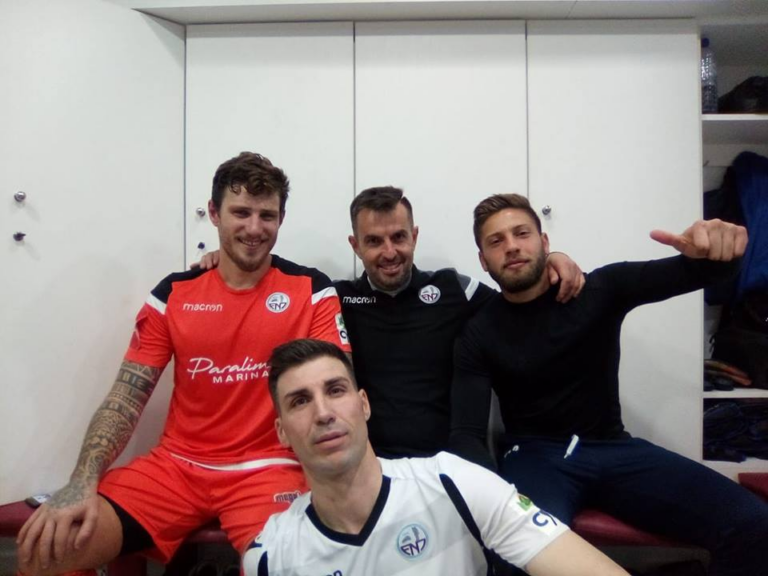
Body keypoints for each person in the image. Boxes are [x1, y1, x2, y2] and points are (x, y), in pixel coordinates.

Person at [17, 152, 351, 576]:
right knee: (48, 550)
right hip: (177, 467)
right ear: (214, 213)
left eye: (267, 215)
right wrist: (82, 480)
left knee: (292, 567)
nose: (254, 228)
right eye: (241, 212)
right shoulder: (173, 294)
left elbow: (334, 391)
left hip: (269, 469)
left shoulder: (312, 290)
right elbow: (126, 398)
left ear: (281, 219)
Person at [449, 193, 768, 576]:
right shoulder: (479, 333)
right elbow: (466, 433)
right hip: (535, 457)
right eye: (496, 241)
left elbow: (697, 273)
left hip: (613, 448)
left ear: (545, 242)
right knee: (515, 557)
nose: (512, 246)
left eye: (522, 233)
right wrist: (491, 496)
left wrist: (721, 252)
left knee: (754, 523)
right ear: (483, 261)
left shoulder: (599, 289)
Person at [201, 186, 584, 457]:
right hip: (363, 467)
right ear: (355, 245)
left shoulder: (454, 289)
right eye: (374, 241)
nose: (389, 252)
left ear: (414, 236)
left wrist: (552, 260)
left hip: (446, 462)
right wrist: (222, 264)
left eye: (399, 237)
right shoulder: (335, 300)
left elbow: (521, 301)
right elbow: (264, 294)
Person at [243, 338, 630, 576]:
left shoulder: (453, 483)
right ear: (282, 432)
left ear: (364, 405)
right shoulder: (271, 556)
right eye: (300, 401)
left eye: (336, 390)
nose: (323, 413)